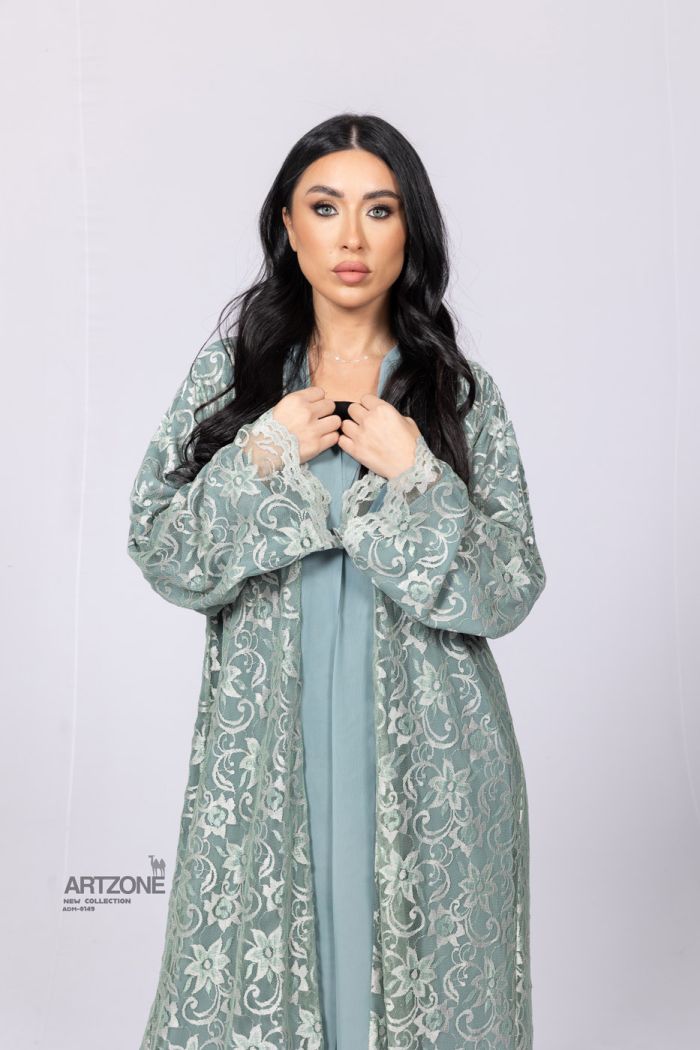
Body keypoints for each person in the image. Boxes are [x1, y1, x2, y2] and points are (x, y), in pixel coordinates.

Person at [127, 112, 547, 1050]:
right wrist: (257, 456)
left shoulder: (456, 393)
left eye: (379, 209)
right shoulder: (236, 377)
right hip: (267, 753)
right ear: (289, 224)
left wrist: (418, 476)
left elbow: (510, 587)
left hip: (431, 762)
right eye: (325, 208)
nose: (351, 237)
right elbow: (162, 549)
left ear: (411, 230)